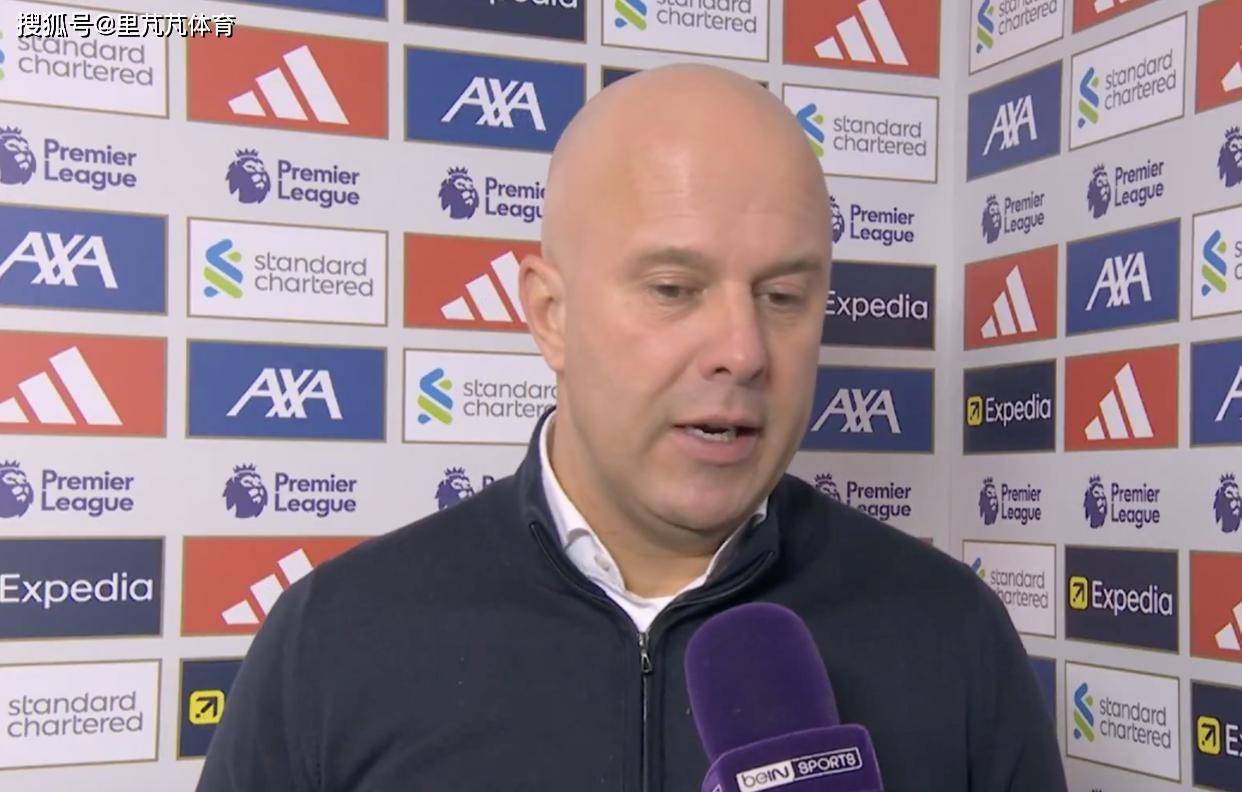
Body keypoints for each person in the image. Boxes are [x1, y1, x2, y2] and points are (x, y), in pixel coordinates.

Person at [197, 64, 1066, 792]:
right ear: (550, 315)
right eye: (673, 290)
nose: (742, 351)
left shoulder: (951, 634)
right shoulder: (334, 640)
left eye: (783, 296)